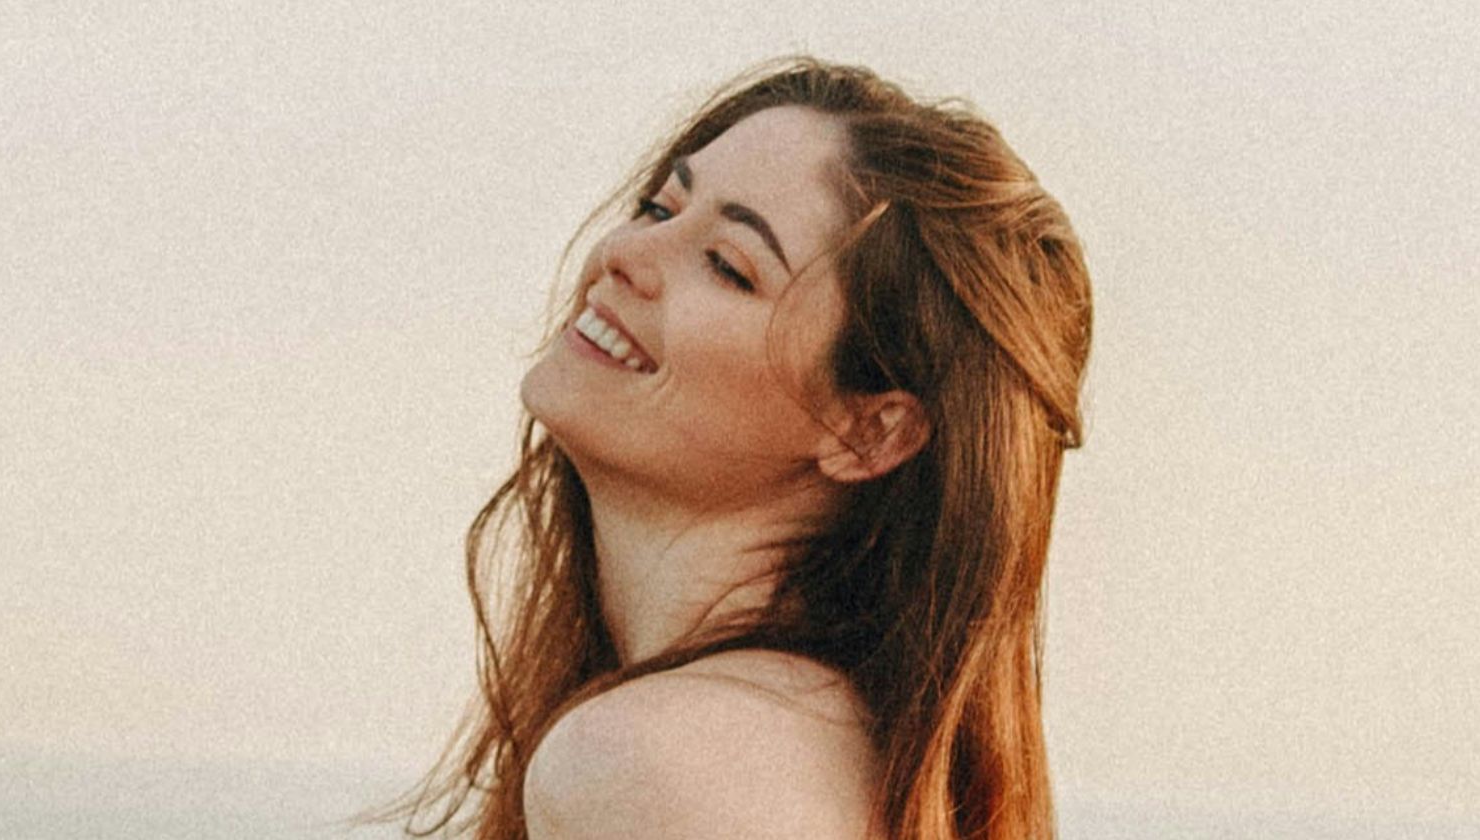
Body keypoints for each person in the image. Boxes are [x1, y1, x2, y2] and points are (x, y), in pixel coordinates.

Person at [366, 55, 1092, 840]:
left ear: (869, 431)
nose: (626, 256)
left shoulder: (655, 764)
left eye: (726, 266)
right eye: (659, 208)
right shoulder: (835, 751)